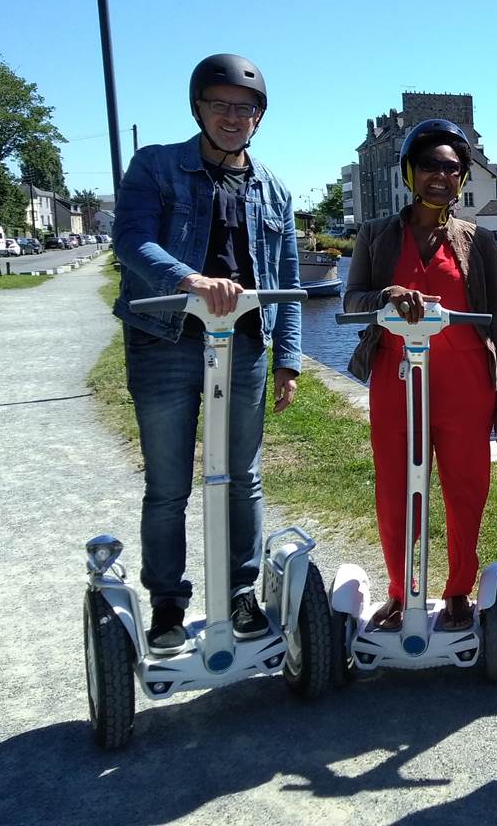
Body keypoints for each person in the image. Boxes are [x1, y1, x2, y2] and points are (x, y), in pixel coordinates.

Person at [113, 53, 302, 656]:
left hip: (243, 344)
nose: (232, 116)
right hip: (165, 341)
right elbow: (132, 239)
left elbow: (289, 278)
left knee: (241, 477)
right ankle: (168, 604)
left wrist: (288, 360)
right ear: (199, 108)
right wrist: (188, 279)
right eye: (219, 104)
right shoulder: (157, 167)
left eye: (244, 108)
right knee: (169, 483)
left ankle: (242, 591)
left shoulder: (274, 188)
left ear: (259, 118)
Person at [344, 119, 497, 631]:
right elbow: (352, 302)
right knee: (396, 489)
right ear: (409, 173)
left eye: (452, 167)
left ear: (463, 176)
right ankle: (401, 591)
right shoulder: (376, 237)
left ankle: (460, 589)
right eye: (429, 166)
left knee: (466, 489)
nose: (440, 176)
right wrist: (385, 297)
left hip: (466, 386)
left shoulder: (478, 242)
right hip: (396, 383)